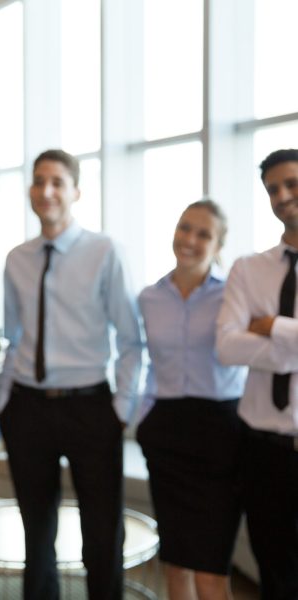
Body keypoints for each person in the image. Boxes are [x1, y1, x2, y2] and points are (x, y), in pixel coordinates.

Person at [0, 149, 144, 600]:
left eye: (58, 182)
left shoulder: (105, 251)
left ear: (75, 191)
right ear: (29, 190)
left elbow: (131, 338)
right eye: (39, 181)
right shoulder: (16, 258)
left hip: (90, 405)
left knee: (102, 530)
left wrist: (119, 408)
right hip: (26, 405)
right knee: (35, 531)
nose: (47, 191)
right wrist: (4, 401)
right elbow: (14, 336)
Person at [136, 200, 246, 599]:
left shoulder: (233, 294)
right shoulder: (149, 297)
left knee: (211, 567)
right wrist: (144, 415)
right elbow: (146, 361)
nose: (190, 240)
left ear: (218, 245)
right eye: (185, 228)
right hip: (166, 432)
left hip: (221, 432)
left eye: (203, 234)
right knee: (177, 560)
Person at [216, 148, 298, 599]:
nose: (283, 196)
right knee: (275, 574)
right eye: (273, 189)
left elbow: (247, 342)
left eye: (292, 183)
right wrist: (290, 351)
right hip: (263, 449)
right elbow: (228, 347)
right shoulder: (249, 269)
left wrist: (273, 328)